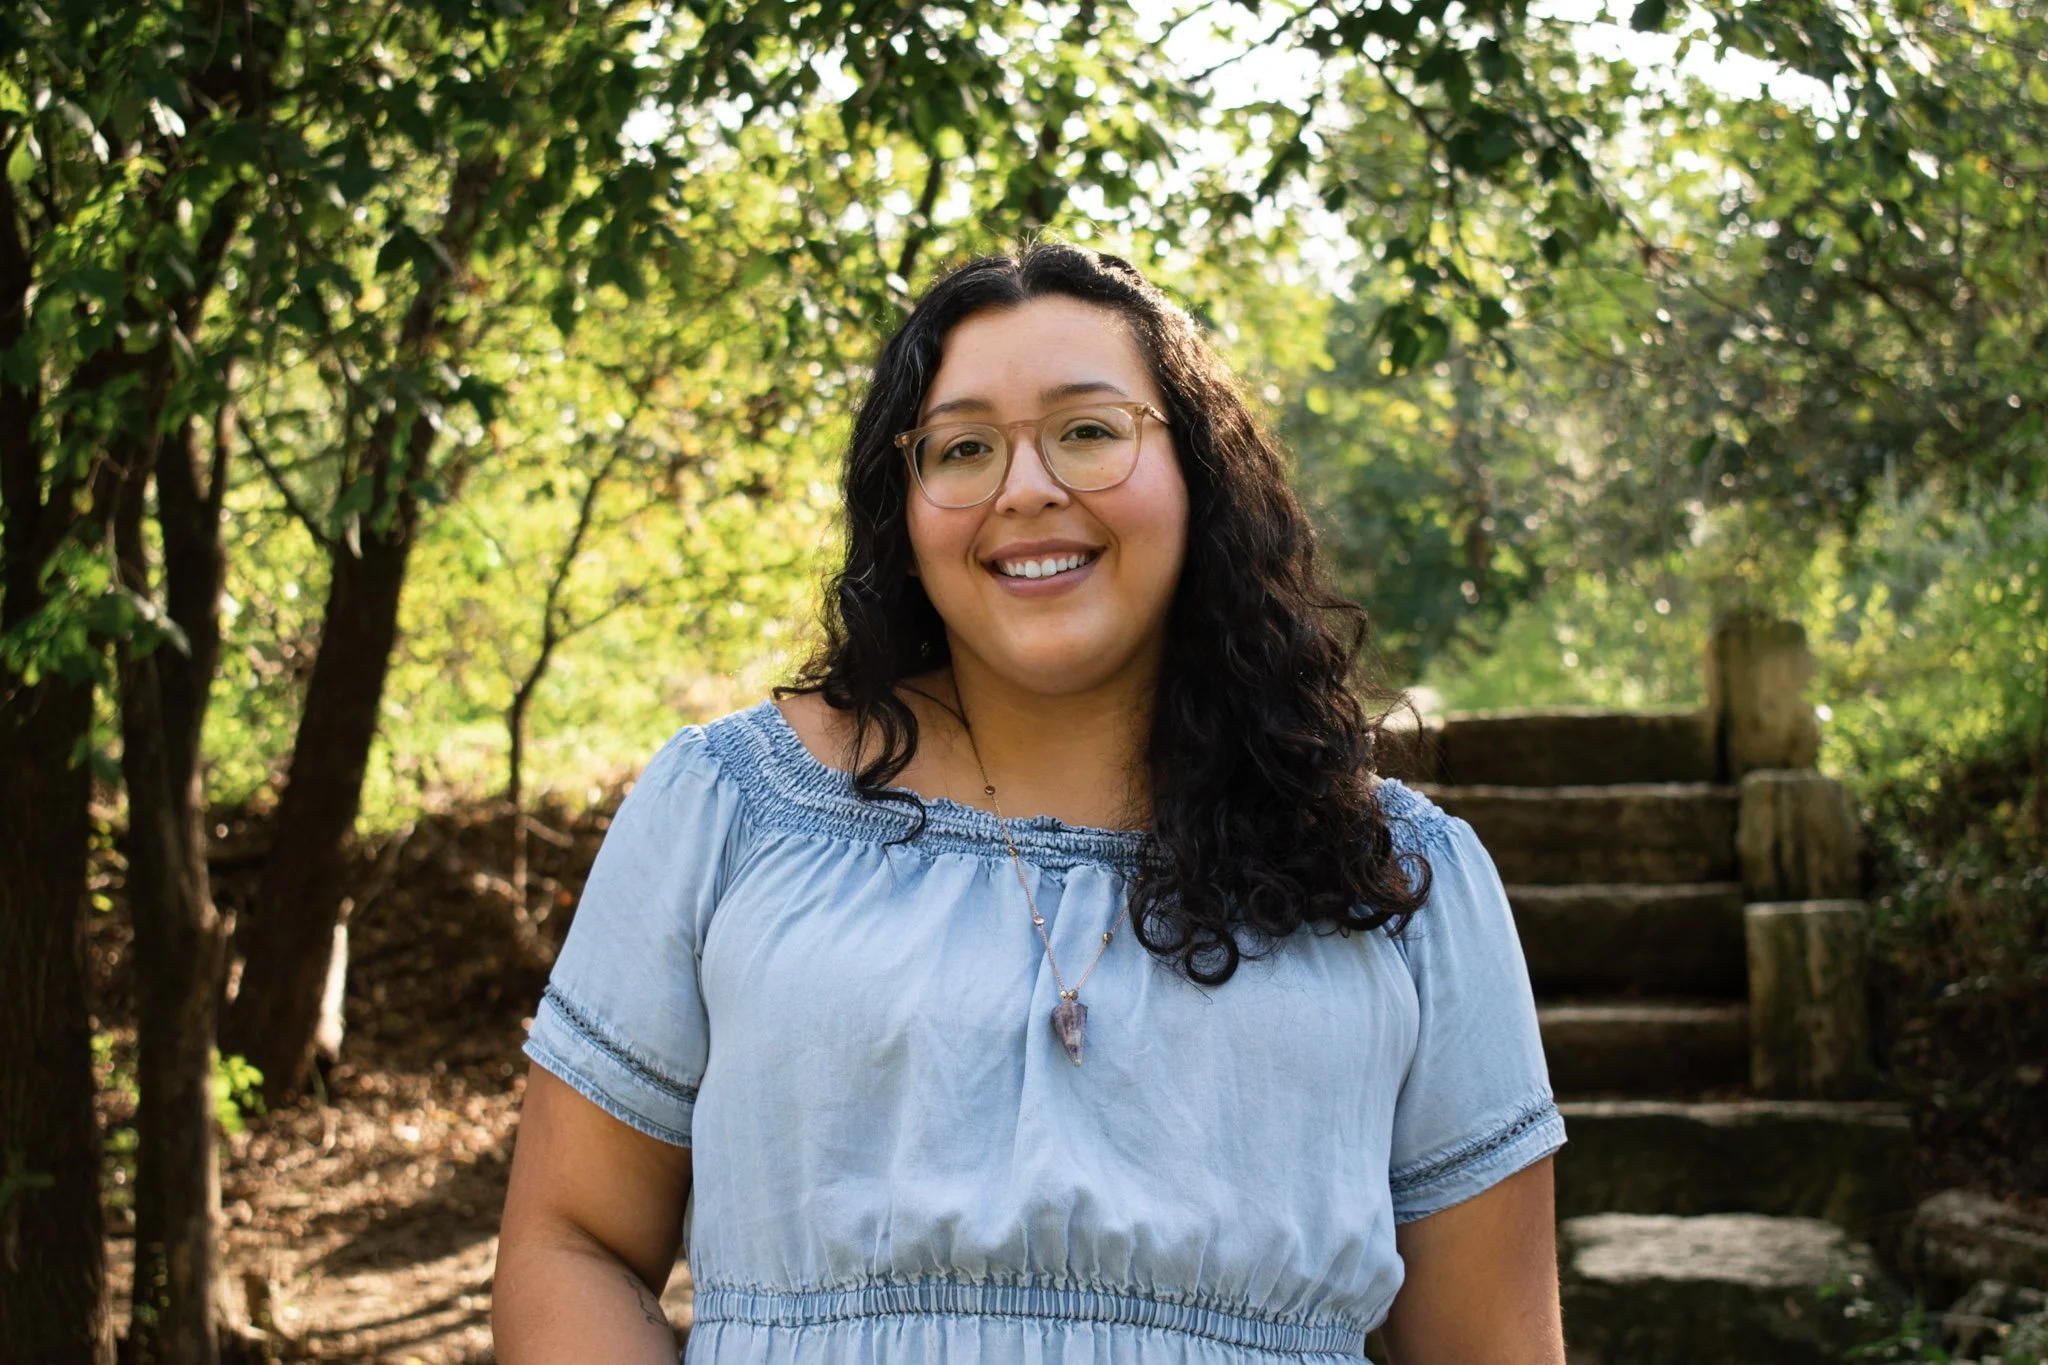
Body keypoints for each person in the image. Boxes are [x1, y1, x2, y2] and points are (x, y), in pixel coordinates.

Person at [492, 243, 1566, 1363]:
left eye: (1088, 431)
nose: (1026, 488)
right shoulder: (729, 811)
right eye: (961, 449)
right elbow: (573, 1242)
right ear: (901, 512)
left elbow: (1490, 1346)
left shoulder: (1395, 876)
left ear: (1197, 471)